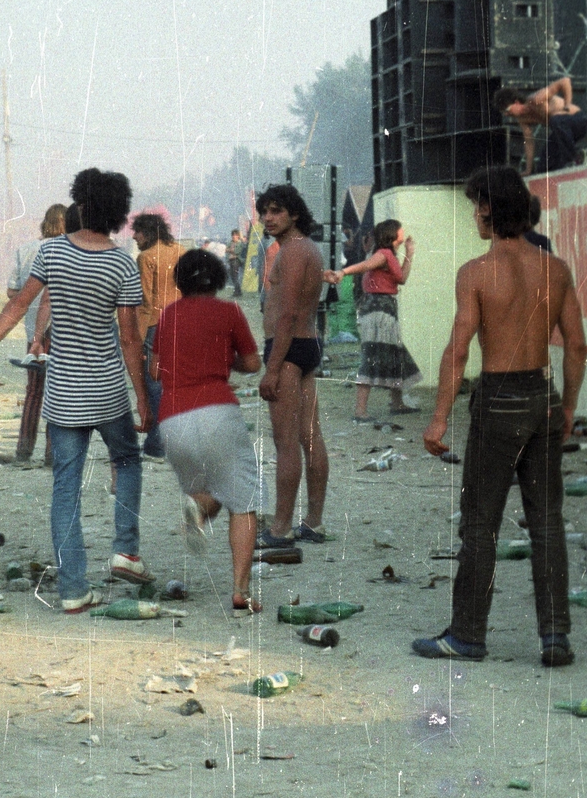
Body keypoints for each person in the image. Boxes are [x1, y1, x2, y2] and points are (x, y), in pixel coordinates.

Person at [0, 168, 152, 614]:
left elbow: (19, 304)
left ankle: (73, 588)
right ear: (120, 213)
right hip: (106, 393)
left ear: (79, 204)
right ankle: (126, 550)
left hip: (63, 393)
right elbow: (129, 340)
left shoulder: (52, 252)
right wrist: (141, 395)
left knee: (66, 487)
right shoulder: (122, 262)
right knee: (127, 460)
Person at [412, 165, 587, 668]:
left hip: (499, 396)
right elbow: (575, 345)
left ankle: (468, 634)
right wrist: (568, 404)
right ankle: (555, 636)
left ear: (488, 208)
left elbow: (458, 350)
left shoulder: (475, 273)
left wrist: (439, 418)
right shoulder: (554, 269)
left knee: (481, 523)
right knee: (547, 522)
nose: (474, 215)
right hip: (543, 395)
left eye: (475, 206)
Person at [152, 247, 264, 615]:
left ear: (179, 281)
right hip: (218, 410)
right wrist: (221, 359)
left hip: (172, 418)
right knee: (243, 500)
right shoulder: (229, 311)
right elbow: (251, 362)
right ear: (218, 278)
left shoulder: (167, 315)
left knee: (209, 488)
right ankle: (240, 590)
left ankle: (198, 506)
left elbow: (156, 370)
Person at [253, 183, 329, 546]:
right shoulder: (304, 249)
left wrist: (272, 368)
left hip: (288, 349)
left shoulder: (295, 252)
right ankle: (313, 522)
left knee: (287, 442)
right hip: (305, 346)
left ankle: (281, 529)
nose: (268, 218)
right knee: (310, 437)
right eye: (264, 211)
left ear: (294, 214)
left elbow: (287, 314)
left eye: (276, 211)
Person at [325, 219, 420, 419]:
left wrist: (408, 254)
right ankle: (360, 411)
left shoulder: (384, 254)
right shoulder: (383, 255)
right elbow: (371, 267)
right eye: (400, 229)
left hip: (380, 309)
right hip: (380, 311)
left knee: (394, 354)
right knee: (373, 356)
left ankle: (397, 402)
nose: (403, 230)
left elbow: (398, 277)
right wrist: (343, 272)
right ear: (393, 235)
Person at [7, 204, 68, 467]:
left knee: (34, 391)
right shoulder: (71, 250)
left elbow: (13, 292)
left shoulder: (27, 250)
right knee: (59, 392)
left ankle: (23, 450)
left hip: (33, 331)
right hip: (64, 331)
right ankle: (52, 454)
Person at [132, 212, 181, 459]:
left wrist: (137, 340)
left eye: (137, 232)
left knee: (154, 384)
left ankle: (156, 443)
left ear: (148, 233)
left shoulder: (146, 257)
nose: (134, 237)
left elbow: (145, 302)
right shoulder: (181, 251)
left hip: (156, 325)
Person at [496, 76, 587, 176]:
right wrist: (528, 169)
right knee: (544, 166)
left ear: (516, 102)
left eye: (507, 110)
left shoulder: (536, 99)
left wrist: (567, 105)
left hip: (578, 120)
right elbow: (529, 142)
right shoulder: (523, 119)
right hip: (563, 132)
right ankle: (566, 164)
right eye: (504, 113)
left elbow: (565, 81)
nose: (507, 115)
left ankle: (575, 158)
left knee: (555, 120)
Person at [226, 228, 246, 297]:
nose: (233, 236)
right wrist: (231, 250)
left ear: (238, 236)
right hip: (231, 260)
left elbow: (237, 251)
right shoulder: (230, 242)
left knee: (235, 276)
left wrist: (230, 250)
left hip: (236, 260)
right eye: (233, 235)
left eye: (235, 235)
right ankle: (238, 291)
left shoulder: (239, 243)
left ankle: (237, 292)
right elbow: (226, 249)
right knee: (232, 276)